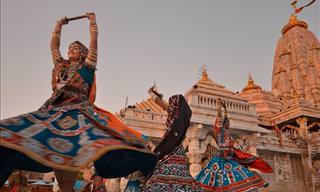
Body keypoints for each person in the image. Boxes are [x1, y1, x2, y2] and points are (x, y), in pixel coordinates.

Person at [0, 12, 157, 192]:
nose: (70, 50)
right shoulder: (61, 66)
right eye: (69, 48)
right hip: (52, 112)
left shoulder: (87, 67)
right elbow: (53, 46)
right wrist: (58, 26)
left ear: (83, 53)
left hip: (77, 115)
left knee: (71, 164)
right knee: (11, 132)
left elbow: (94, 44)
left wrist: (93, 24)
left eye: (74, 48)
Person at [195, 98, 272, 192]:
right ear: (224, 123)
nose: (229, 124)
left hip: (229, 157)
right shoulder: (220, 132)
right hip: (223, 159)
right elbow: (219, 121)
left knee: (242, 173)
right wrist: (219, 107)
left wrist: (224, 108)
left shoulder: (226, 133)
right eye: (228, 122)